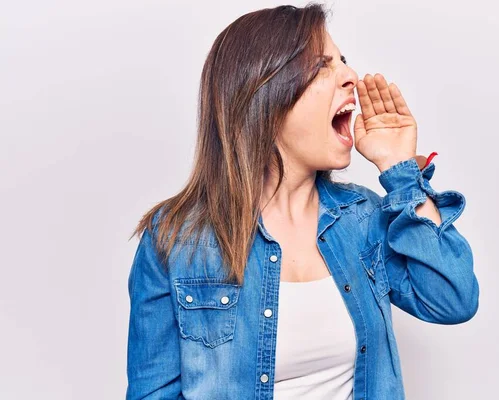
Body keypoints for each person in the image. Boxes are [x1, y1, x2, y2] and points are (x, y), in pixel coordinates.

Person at [125, 3, 479, 399]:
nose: (350, 76)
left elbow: (453, 299)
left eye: (343, 61)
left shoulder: (363, 220)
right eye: (323, 65)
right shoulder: (175, 238)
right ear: (266, 94)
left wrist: (401, 172)